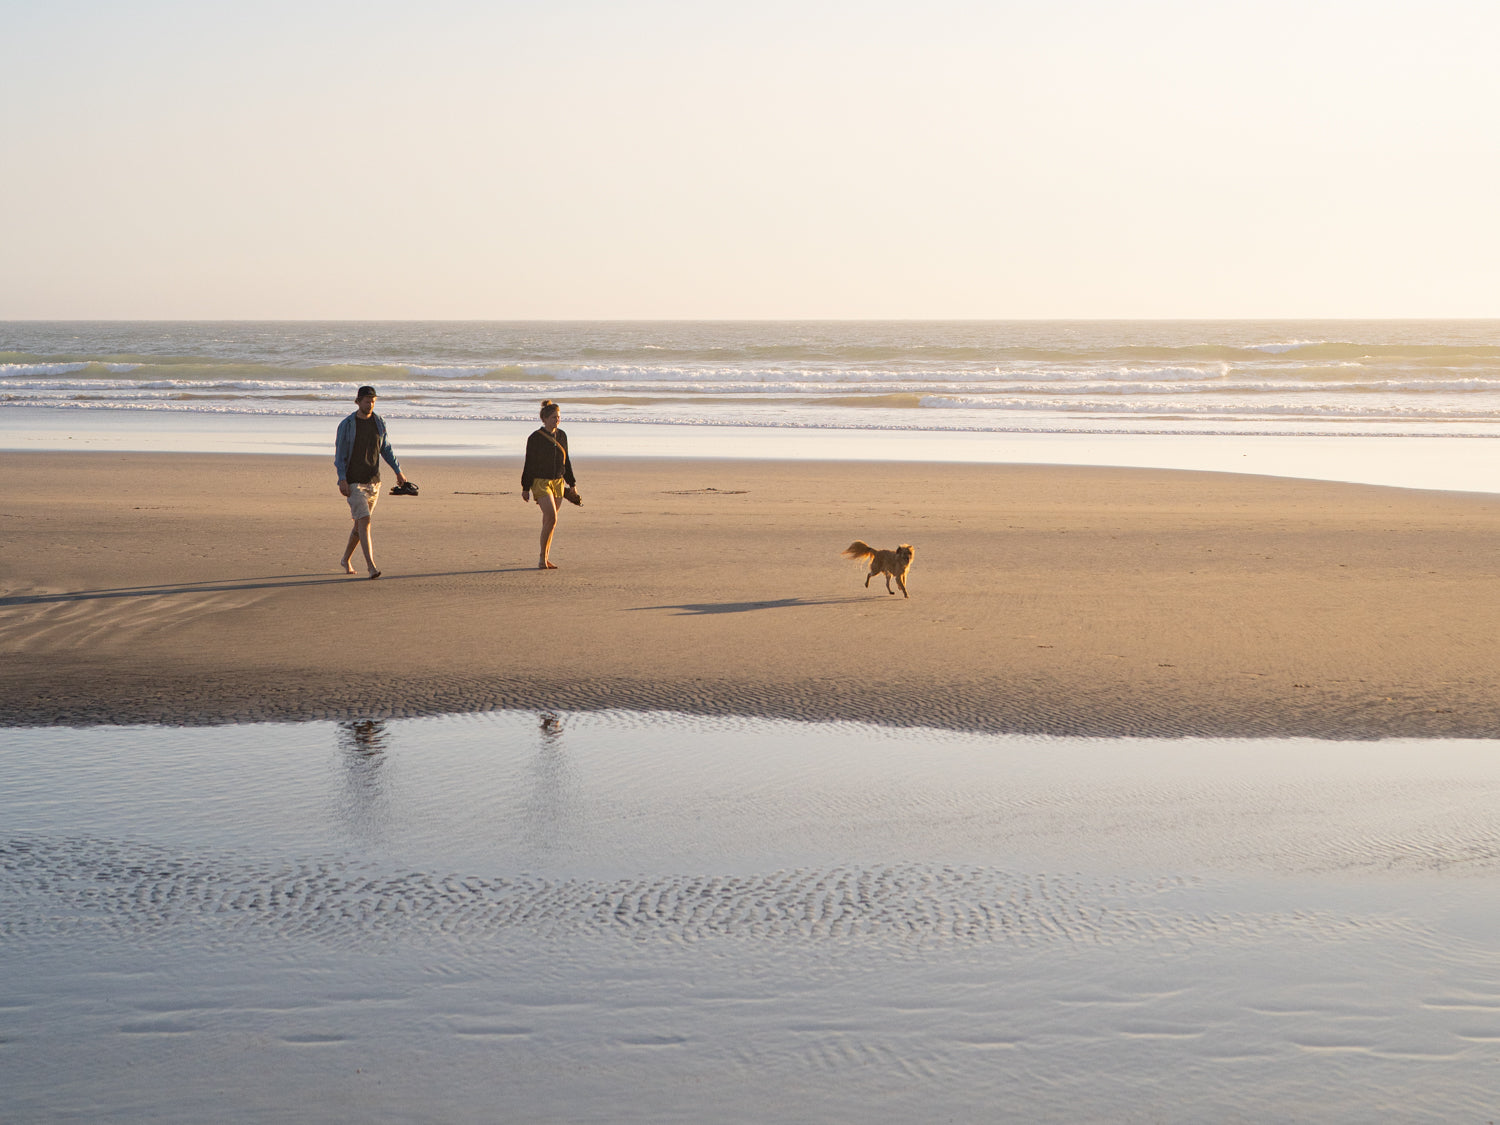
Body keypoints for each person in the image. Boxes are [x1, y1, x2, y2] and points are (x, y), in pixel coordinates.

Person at [335, 385, 410, 579]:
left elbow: (386, 449)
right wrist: (342, 479)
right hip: (353, 482)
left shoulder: (379, 422)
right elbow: (340, 455)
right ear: (358, 402)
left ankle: (345, 559)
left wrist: (398, 471)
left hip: (374, 481)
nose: (370, 404)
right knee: (365, 521)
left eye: (373, 401)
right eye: (367, 401)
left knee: (360, 526)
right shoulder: (347, 424)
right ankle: (371, 567)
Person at [521, 399, 578, 569]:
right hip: (540, 482)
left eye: (558, 417)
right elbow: (528, 463)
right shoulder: (535, 438)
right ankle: (541, 559)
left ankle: (545, 557)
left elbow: (565, 461)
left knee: (549, 522)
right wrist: (525, 488)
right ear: (544, 419)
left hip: (558, 482)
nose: (557, 420)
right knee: (552, 517)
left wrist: (572, 483)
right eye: (554, 417)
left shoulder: (562, 435)